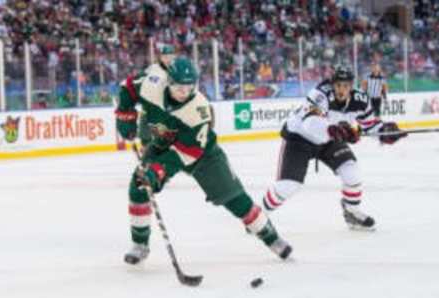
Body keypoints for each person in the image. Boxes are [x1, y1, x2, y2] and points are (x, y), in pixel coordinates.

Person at [115, 57, 293, 265]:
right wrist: (125, 115)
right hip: (162, 145)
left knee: (235, 199)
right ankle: (140, 245)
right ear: (169, 82)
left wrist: (159, 170)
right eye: (180, 87)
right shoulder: (152, 84)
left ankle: (272, 238)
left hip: (202, 155)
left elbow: (187, 152)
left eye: (189, 87)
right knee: (139, 185)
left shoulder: (198, 109)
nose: (185, 92)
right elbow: (127, 88)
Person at [262, 65, 407, 230]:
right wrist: (334, 130)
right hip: (299, 139)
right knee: (287, 186)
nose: (341, 89)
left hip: (329, 139)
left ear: (351, 86)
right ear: (332, 85)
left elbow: (369, 125)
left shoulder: (360, 100)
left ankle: (352, 212)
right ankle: (258, 217)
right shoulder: (320, 94)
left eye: (346, 85)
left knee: (351, 172)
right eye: (338, 85)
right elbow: (310, 123)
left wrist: (384, 132)